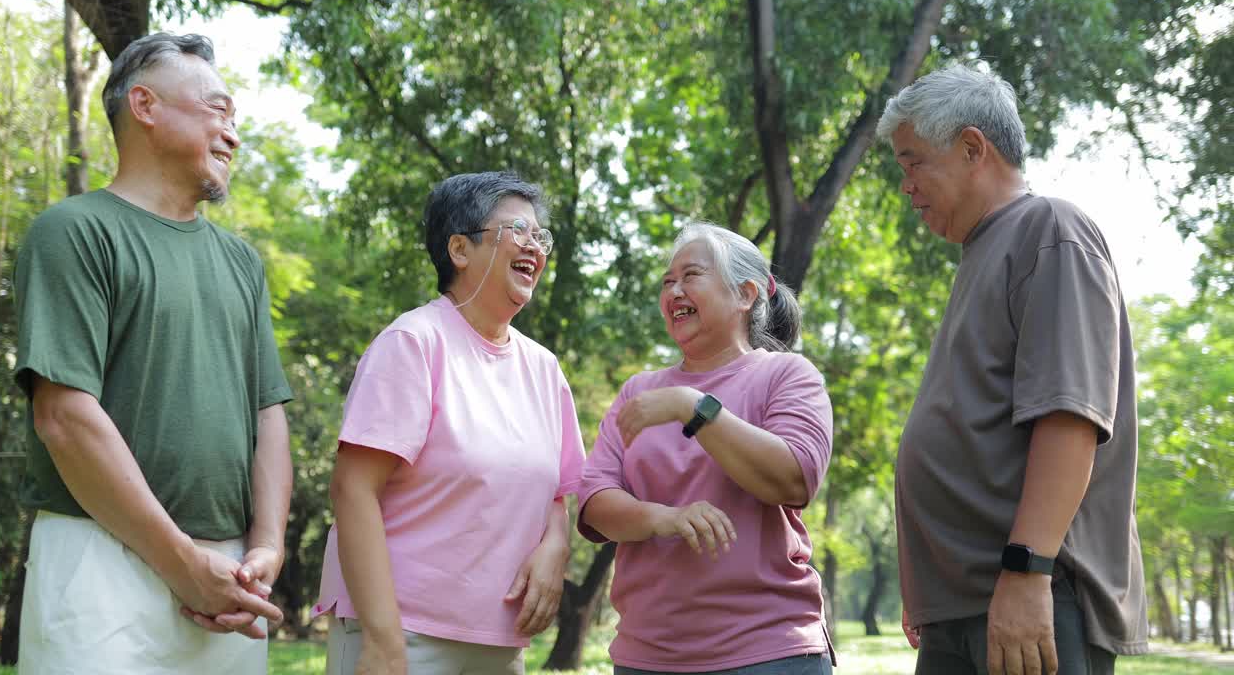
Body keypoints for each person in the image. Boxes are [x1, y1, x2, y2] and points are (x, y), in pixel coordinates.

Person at [13, 33, 292, 674]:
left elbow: (267, 413)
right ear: (145, 105)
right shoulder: (73, 232)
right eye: (217, 111)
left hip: (230, 577)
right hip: (98, 559)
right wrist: (181, 563)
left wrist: (268, 546)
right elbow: (62, 416)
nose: (232, 135)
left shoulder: (241, 262)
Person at [877, 63, 1148, 675]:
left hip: (1032, 595)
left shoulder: (1049, 228)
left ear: (973, 147)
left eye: (913, 161)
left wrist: (1028, 571)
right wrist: (930, 584)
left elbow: (1069, 416)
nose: (906, 185)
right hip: (968, 602)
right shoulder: (983, 252)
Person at [313, 171, 587, 675]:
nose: (535, 246)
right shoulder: (414, 343)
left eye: (540, 236)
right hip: (404, 634)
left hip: (498, 641)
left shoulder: (544, 370)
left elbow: (555, 494)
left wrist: (555, 546)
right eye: (517, 232)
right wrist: (383, 638)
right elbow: (353, 490)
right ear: (459, 249)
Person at [578, 223, 835, 675]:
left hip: (768, 653)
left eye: (691, 276)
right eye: (667, 282)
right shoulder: (638, 391)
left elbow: (794, 479)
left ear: (746, 294)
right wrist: (663, 518)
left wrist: (693, 407)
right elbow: (594, 501)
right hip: (646, 656)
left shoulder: (787, 376)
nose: (674, 290)